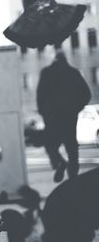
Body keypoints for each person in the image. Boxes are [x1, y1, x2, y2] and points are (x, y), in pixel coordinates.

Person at [37, 51, 91, 182]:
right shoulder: (73, 73)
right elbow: (86, 94)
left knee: (50, 144)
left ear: (54, 60)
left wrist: (45, 113)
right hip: (69, 116)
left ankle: (59, 162)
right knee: (71, 146)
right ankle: (73, 177)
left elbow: (40, 96)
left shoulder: (47, 73)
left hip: (53, 117)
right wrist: (76, 108)